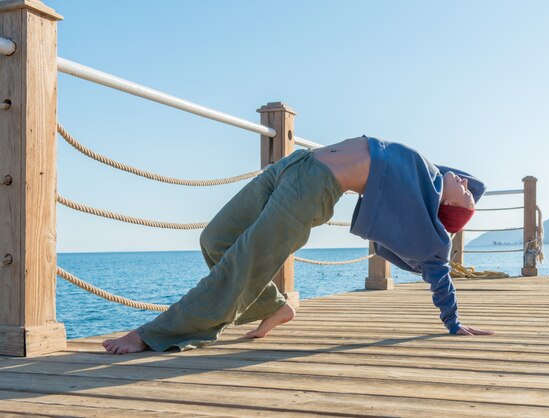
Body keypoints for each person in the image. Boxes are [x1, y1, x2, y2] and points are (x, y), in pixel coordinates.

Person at [103, 135, 494, 355]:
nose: (464, 183)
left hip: (313, 189)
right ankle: (274, 307)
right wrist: (464, 190)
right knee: (216, 239)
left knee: (243, 261)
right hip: (293, 165)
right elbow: (466, 180)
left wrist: (454, 323)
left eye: (466, 193)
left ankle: (156, 333)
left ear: (448, 208)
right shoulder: (431, 172)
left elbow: (437, 267)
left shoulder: (422, 205)